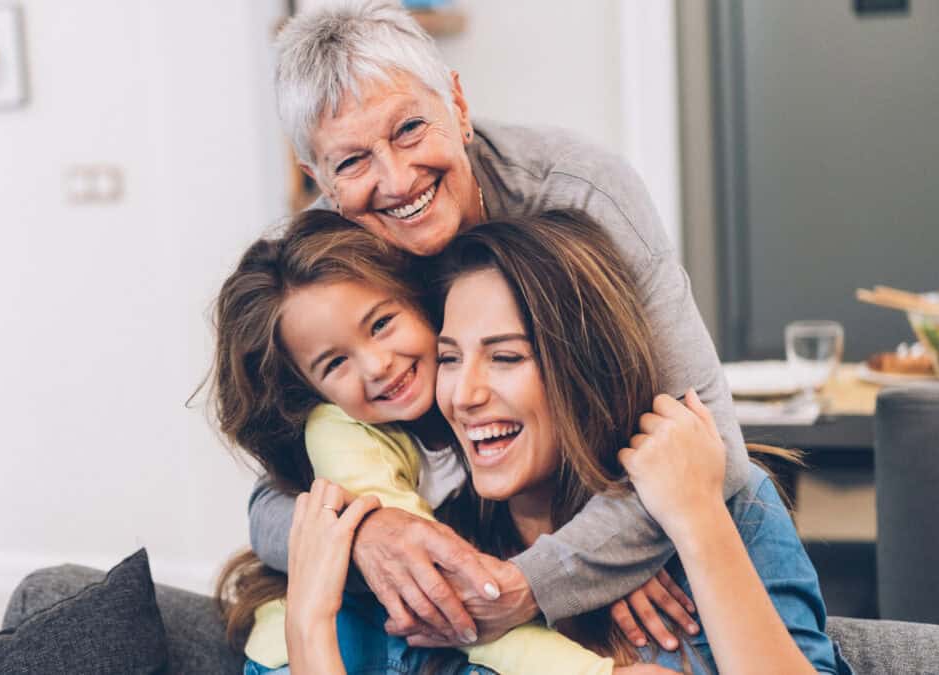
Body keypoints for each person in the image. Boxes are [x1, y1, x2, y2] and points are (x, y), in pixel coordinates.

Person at [248, 0, 745, 651]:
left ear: (457, 104)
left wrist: (539, 577)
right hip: (462, 564)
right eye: (351, 162)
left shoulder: (581, 194)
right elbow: (270, 503)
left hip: (611, 542)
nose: (396, 180)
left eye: (408, 129)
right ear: (320, 182)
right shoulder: (321, 266)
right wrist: (366, 532)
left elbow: (713, 449)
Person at [278, 215, 844, 674]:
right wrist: (308, 627)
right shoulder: (450, 555)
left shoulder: (730, 508)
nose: (464, 395)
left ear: (586, 370)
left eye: (506, 357)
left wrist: (696, 522)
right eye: (449, 358)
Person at [212, 210, 639, 674]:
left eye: (380, 325)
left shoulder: (470, 402)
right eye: (335, 364)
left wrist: (614, 564)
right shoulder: (342, 435)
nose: (376, 366)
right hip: (325, 652)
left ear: (418, 301)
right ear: (311, 391)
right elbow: (440, 590)